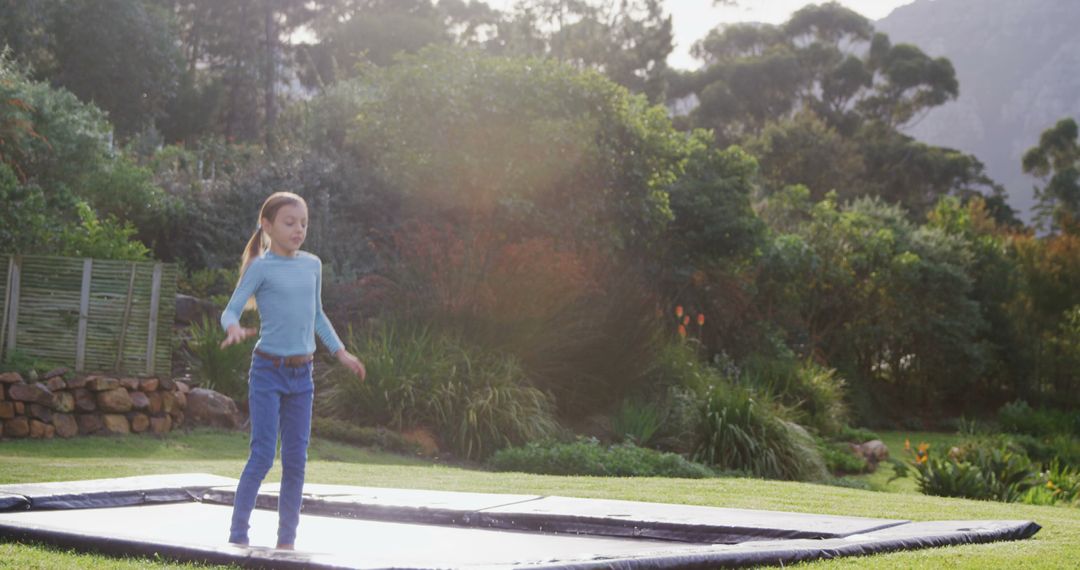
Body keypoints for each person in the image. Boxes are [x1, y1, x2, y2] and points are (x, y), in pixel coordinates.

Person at [219, 191, 365, 550]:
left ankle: (287, 542)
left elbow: (317, 314)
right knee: (264, 454)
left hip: (303, 376)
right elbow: (230, 310)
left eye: (303, 223)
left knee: (296, 460)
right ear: (267, 226)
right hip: (268, 371)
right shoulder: (260, 268)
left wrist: (341, 352)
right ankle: (238, 535)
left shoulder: (312, 265)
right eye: (289, 222)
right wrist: (233, 327)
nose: (298, 229)